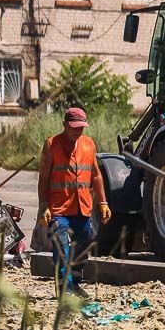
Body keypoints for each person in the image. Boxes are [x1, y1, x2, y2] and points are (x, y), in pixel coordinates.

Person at [38, 107, 111, 294]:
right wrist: (43, 206)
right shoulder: (51, 145)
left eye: (81, 128)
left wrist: (103, 202)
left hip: (82, 207)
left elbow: (95, 175)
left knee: (86, 239)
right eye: (74, 127)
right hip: (59, 209)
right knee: (61, 244)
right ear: (64, 125)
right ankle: (65, 288)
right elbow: (44, 178)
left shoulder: (88, 144)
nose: (77, 131)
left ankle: (75, 280)